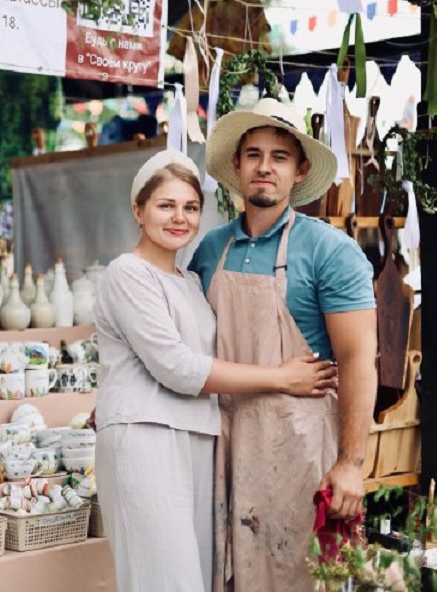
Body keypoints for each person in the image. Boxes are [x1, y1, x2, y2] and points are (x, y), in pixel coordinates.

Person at [93, 149, 338, 592]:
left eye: (190, 208)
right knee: (166, 583)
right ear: (138, 210)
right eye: (165, 206)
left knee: (197, 580)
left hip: (197, 438)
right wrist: (280, 377)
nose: (179, 218)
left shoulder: (188, 281)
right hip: (145, 440)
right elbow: (177, 367)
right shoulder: (126, 273)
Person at [188, 98, 378, 591]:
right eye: (253, 154)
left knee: (301, 578)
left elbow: (359, 361)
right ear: (237, 165)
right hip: (223, 445)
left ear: (299, 170)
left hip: (298, 449)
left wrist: (351, 465)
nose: (264, 167)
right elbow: (183, 350)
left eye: (279, 156)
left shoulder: (329, 250)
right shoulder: (211, 249)